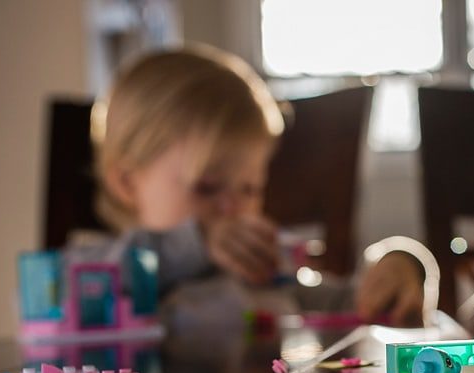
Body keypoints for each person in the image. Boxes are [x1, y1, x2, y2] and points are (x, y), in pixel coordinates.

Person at [84, 45, 424, 325]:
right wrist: (197, 243)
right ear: (127, 182)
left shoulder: (263, 272)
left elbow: (350, 304)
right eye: (207, 187)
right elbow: (88, 295)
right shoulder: (105, 272)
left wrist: (403, 264)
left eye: (249, 189)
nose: (233, 207)